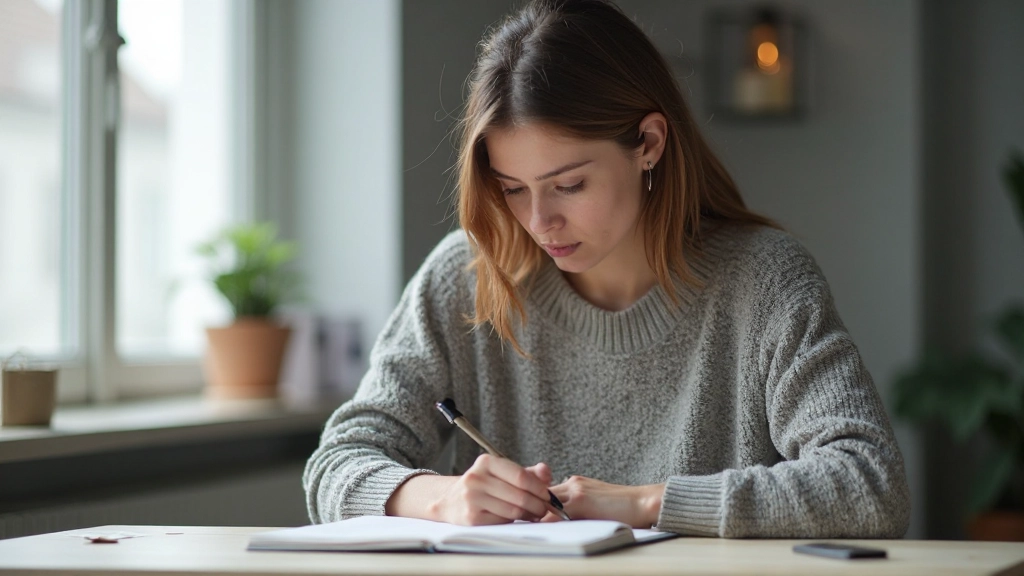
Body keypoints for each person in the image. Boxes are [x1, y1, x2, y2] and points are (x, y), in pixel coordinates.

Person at [303, 0, 910, 538]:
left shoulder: (763, 280)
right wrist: (442, 498)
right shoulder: (467, 275)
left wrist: (646, 503)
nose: (539, 222)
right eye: (513, 189)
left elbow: (868, 484)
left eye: (568, 184)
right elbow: (338, 463)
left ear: (648, 142)